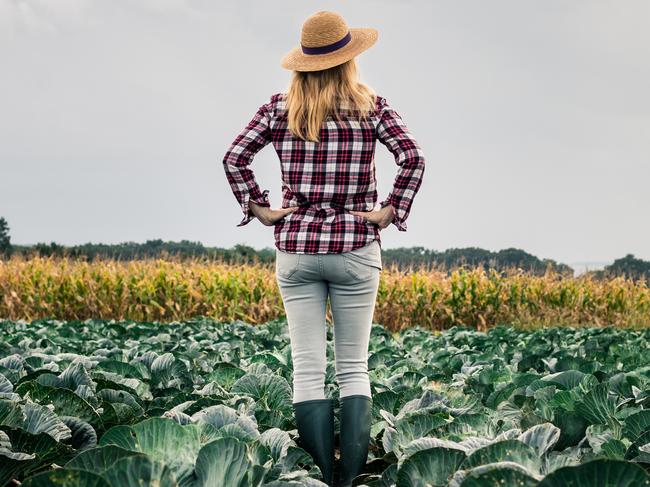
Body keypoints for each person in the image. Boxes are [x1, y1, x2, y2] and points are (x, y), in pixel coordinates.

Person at [222, 10, 425, 487]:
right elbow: (413, 156)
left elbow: (234, 157)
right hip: (355, 245)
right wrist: (390, 209)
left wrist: (261, 208)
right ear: (349, 59)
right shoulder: (372, 106)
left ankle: (317, 477)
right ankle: (349, 480)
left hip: (296, 248)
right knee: (354, 368)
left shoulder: (278, 107)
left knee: (307, 369)